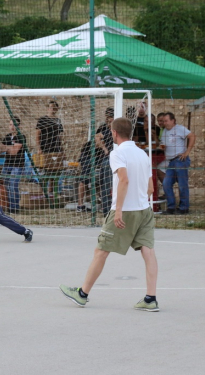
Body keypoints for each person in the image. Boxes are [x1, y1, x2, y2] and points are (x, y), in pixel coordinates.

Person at [59, 117, 158, 312]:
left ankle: (82, 294)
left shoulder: (117, 153)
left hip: (125, 210)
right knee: (148, 252)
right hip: (144, 210)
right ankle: (150, 298)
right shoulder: (143, 154)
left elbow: (124, 180)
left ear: (113, 133)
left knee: (101, 251)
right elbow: (150, 188)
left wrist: (119, 210)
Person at [160, 112, 196, 215]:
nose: (165, 123)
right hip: (171, 161)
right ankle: (171, 207)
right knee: (166, 184)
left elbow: (192, 136)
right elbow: (164, 144)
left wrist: (187, 152)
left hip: (180, 160)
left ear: (173, 120)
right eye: (163, 121)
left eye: (166, 121)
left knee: (182, 185)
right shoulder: (164, 131)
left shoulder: (180, 129)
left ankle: (184, 208)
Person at [0, 116, 26, 214]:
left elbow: (14, 151)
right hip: (7, 164)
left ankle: (14, 208)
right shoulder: (7, 137)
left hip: (17, 165)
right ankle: (6, 205)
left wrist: (6, 148)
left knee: (13, 185)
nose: (12, 127)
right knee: (5, 185)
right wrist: (7, 147)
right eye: (10, 124)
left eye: (14, 125)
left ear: (19, 126)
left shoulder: (21, 137)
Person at [36, 100, 64, 196]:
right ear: (48, 108)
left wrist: (62, 149)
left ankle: (50, 192)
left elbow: (60, 136)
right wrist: (39, 148)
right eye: (51, 107)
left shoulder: (58, 120)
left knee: (54, 171)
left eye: (54, 107)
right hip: (45, 148)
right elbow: (37, 134)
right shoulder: (42, 120)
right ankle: (42, 192)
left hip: (55, 149)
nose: (52, 109)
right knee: (44, 171)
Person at [76, 133, 105, 213]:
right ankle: (80, 205)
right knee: (84, 181)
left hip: (97, 163)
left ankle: (103, 204)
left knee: (102, 181)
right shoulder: (88, 150)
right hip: (88, 160)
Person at [96, 107, 115, 216]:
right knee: (106, 184)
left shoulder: (117, 127)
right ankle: (107, 210)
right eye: (107, 117)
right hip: (108, 159)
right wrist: (105, 149)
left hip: (116, 158)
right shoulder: (104, 128)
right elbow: (97, 138)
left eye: (110, 117)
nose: (108, 120)